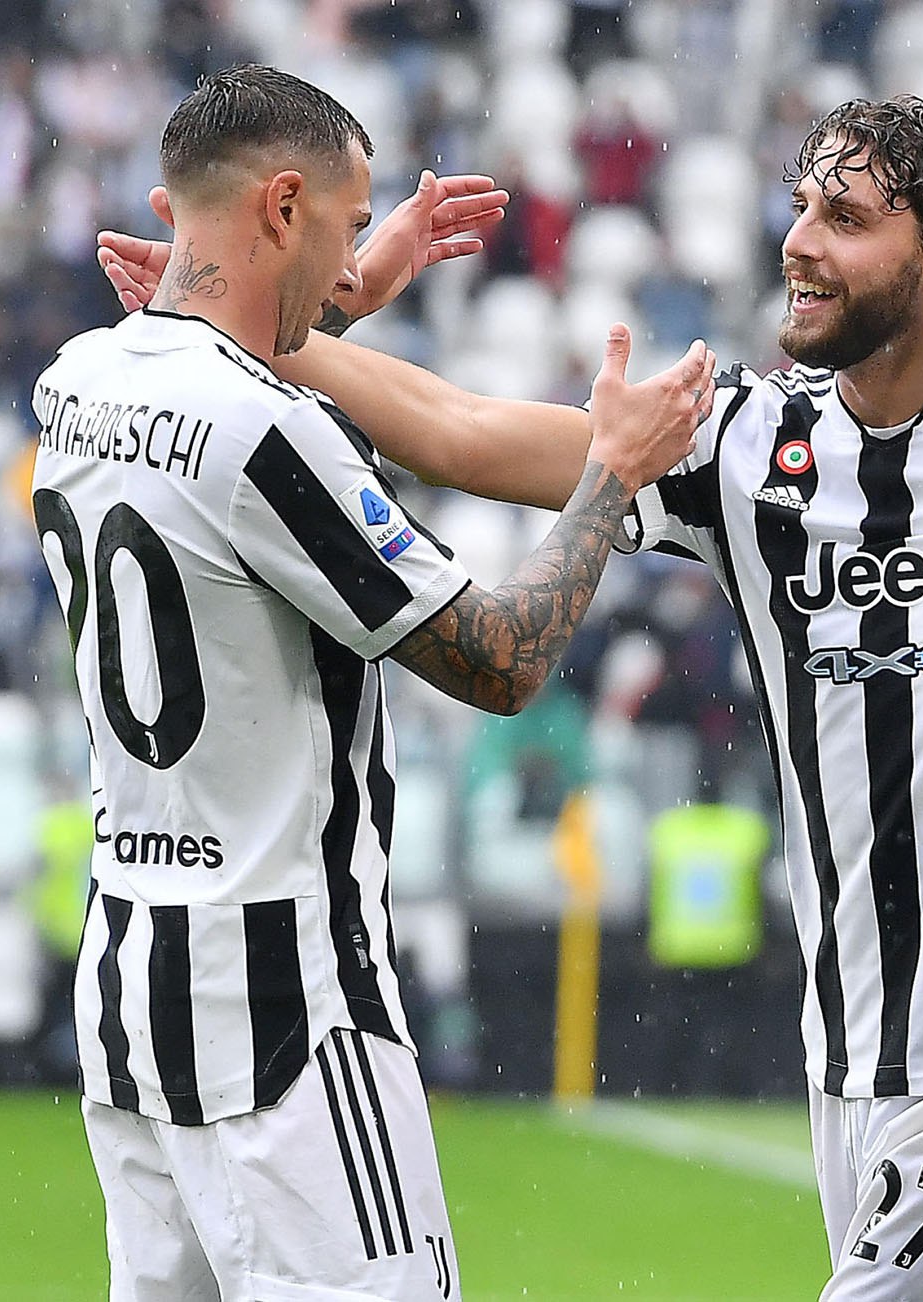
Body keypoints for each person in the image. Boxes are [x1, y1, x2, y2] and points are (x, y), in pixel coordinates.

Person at [96, 93, 923, 1300]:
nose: (801, 241)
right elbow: (463, 433)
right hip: (853, 1052)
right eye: (802, 206)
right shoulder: (748, 442)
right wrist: (244, 330)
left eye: (846, 219)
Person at [36, 64, 713, 1301]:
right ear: (283, 207)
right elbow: (501, 659)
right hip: (289, 1008)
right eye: (347, 227)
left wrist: (339, 297)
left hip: (133, 985)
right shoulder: (268, 432)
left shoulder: (77, 381)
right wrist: (610, 472)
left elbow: (219, 422)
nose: (355, 258)